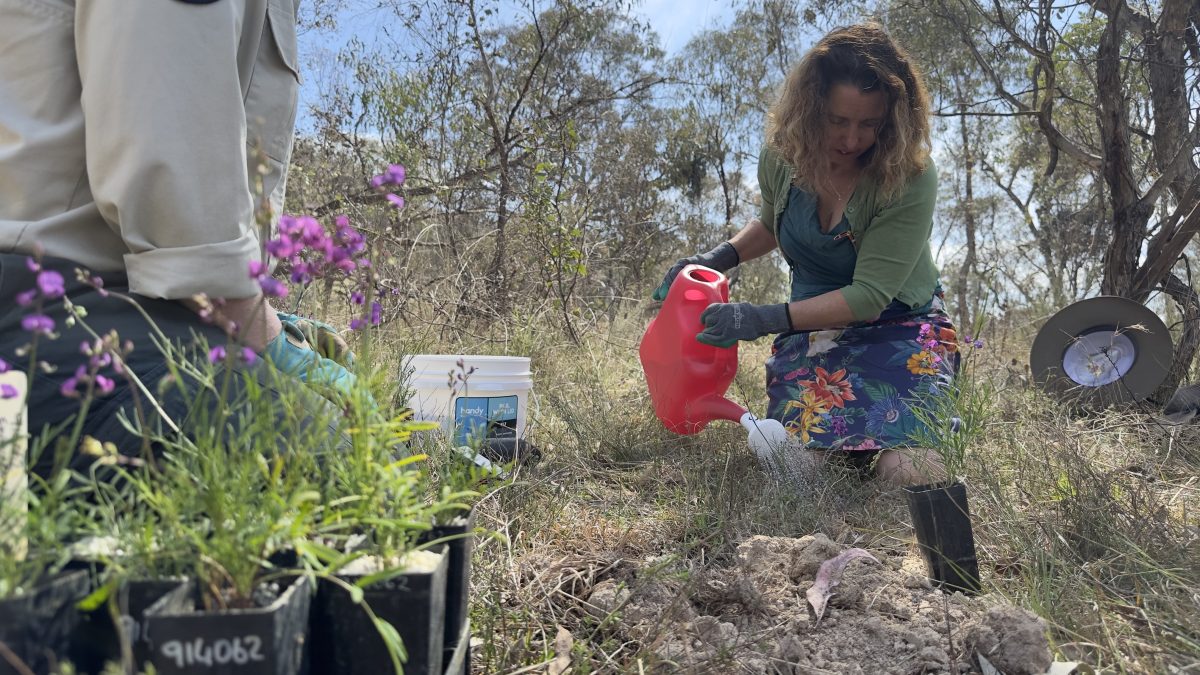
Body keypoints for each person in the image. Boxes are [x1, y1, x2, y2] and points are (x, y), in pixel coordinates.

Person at [0, 0, 356, 474]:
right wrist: (269, 339)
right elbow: (174, 193)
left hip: (90, 301)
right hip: (52, 316)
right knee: (352, 458)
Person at [653, 23, 957, 487]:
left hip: (901, 325)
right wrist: (717, 258)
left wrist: (762, 318)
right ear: (812, 108)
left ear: (892, 120)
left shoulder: (908, 174)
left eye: (869, 124)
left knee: (909, 473)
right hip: (815, 329)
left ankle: (918, 433)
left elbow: (869, 296)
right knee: (798, 469)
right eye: (838, 120)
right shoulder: (783, 156)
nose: (852, 139)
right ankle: (853, 452)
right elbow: (775, 222)